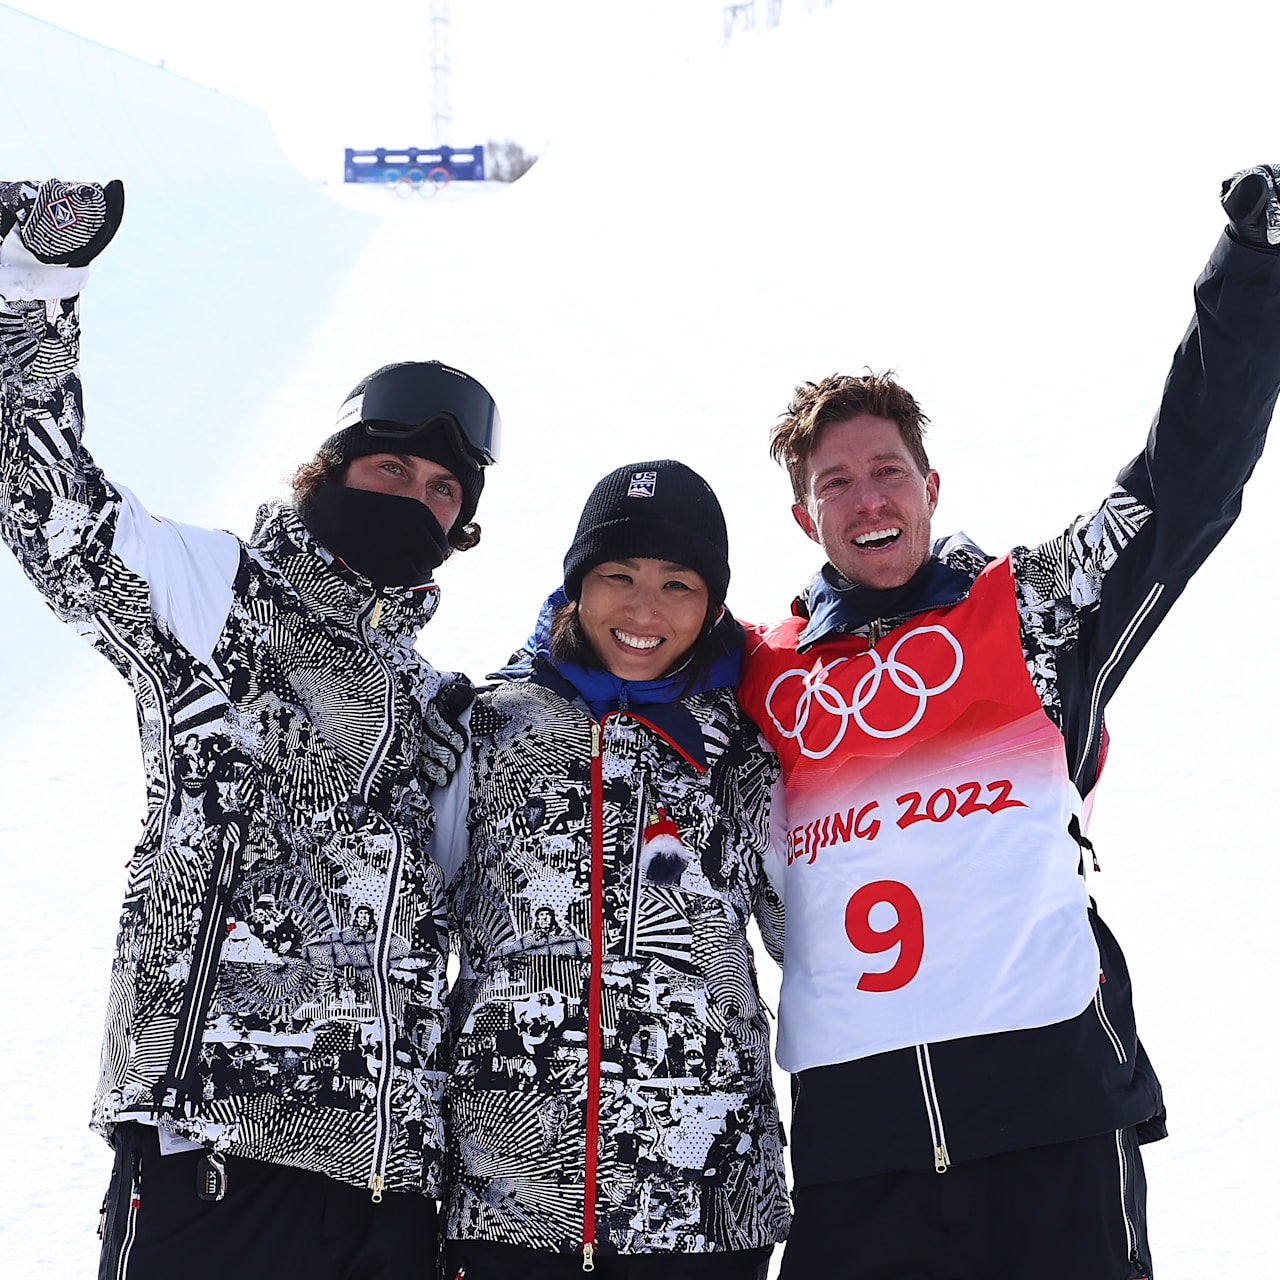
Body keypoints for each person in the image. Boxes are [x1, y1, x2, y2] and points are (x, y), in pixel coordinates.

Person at [735, 165, 1280, 1279]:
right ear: (803, 513)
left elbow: (1183, 482)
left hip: (1050, 1118)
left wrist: (1252, 268)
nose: (868, 497)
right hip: (858, 1147)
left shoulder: (1030, 613)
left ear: (931, 484)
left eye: (888, 469)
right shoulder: (755, 677)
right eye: (837, 481)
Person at [0, 178, 498, 1280]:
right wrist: (32, 292)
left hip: (391, 1199)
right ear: (328, 470)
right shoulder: (215, 594)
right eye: (387, 468)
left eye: (438, 490)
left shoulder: (440, 709)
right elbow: (47, 503)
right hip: (214, 1161)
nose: (411, 497)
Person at [429, 461, 790, 1278]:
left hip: (706, 1203)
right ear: (575, 589)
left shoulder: (749, 743)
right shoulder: (491, 727)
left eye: (677, 585)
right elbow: (413, 927)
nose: (643, 609)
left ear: (713, 604)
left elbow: (808, 930)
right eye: (617, 576)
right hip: (506, 1198)